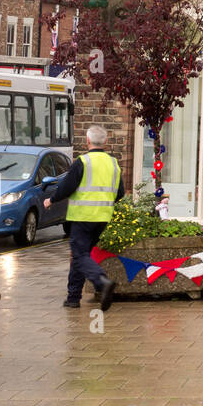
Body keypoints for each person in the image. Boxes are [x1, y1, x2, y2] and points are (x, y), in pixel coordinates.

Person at [44, 125, 123, 311]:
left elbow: (66, 187)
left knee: (79, 255)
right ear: (106, 141)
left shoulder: (83, 162)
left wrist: (51, 200)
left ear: (87, 141)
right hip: (102, 218)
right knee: (81, 256)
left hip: (82, 217)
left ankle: (102, 282)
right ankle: (73, 297)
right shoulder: (113, 164)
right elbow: (120, 193)